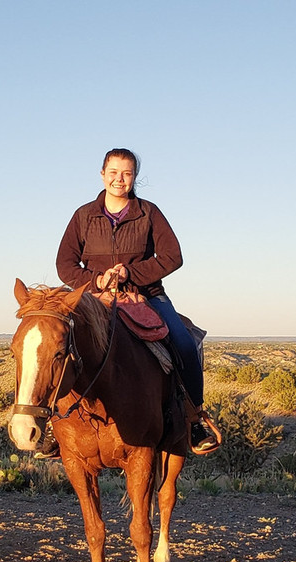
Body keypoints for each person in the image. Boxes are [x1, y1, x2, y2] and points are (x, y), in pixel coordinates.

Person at [48, 147, 217, 457]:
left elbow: (172, 256)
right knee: (56, 345)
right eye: (113, 173)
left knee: (182, 342)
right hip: (93, 299)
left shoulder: (149, 212)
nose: (119, 179)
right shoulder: (83, 215)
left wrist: (131, 273)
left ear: (135, 177)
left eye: (126, 173)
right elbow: (65, 264)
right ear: (102, 175)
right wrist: (96, 280)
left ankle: (195, 419)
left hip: (146, 295)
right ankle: (52, 424)